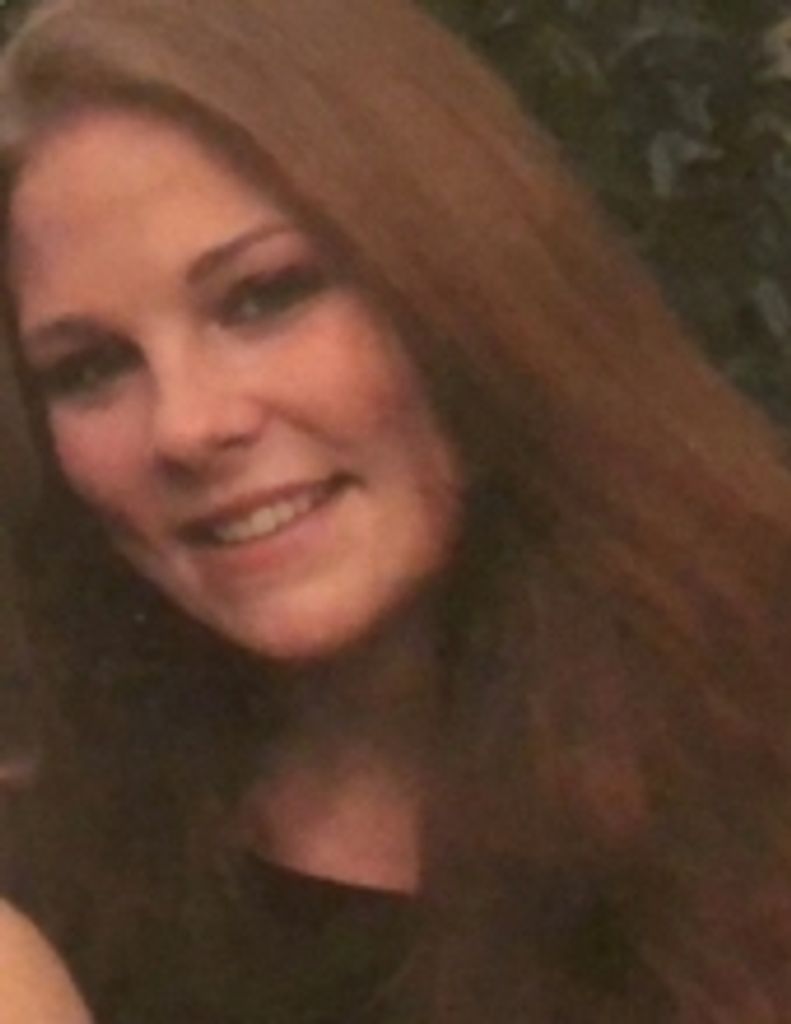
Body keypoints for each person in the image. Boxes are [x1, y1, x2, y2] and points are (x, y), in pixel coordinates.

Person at [1, 0, 791, 1021]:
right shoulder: (43, 909)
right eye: (90, 368)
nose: (187, 426)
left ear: (470, 281)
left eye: (263, 296)